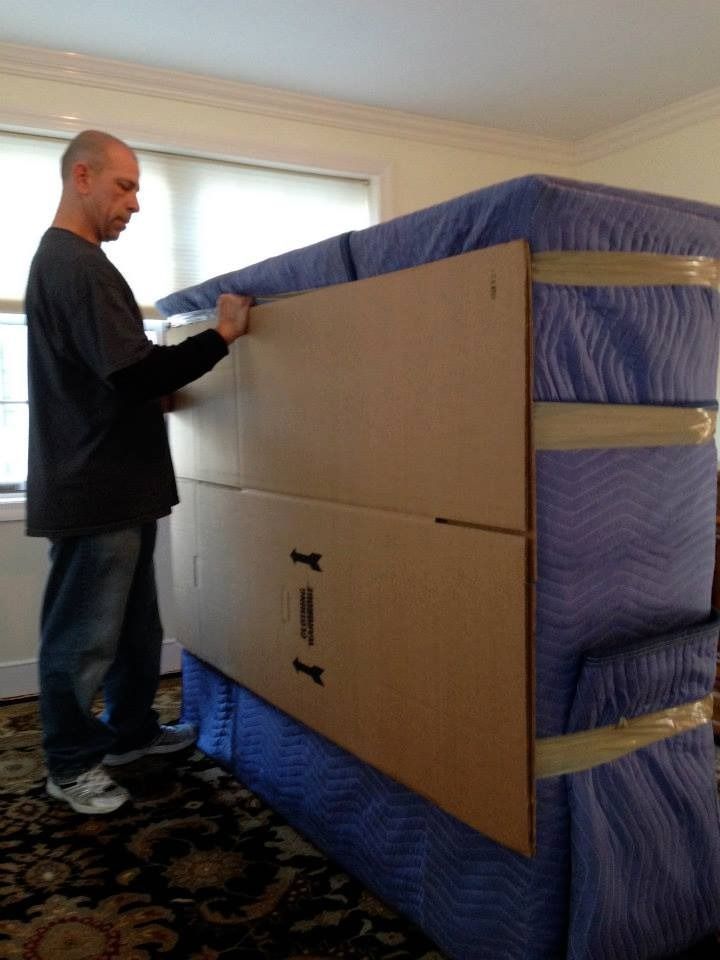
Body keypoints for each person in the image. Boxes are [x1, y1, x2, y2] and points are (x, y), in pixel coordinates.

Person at [24, 129, 252, 815]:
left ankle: (129, 733)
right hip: (97, 486)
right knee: (82, 637)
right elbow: (132, 372)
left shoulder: (77, 264)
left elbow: (116, 376)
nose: (135, 203)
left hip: (120, 482)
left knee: (131, 629)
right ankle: (70, 764)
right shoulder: (76, 264)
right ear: (83, 177)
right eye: (124, 186)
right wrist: (221, 335)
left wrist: (155, 383)